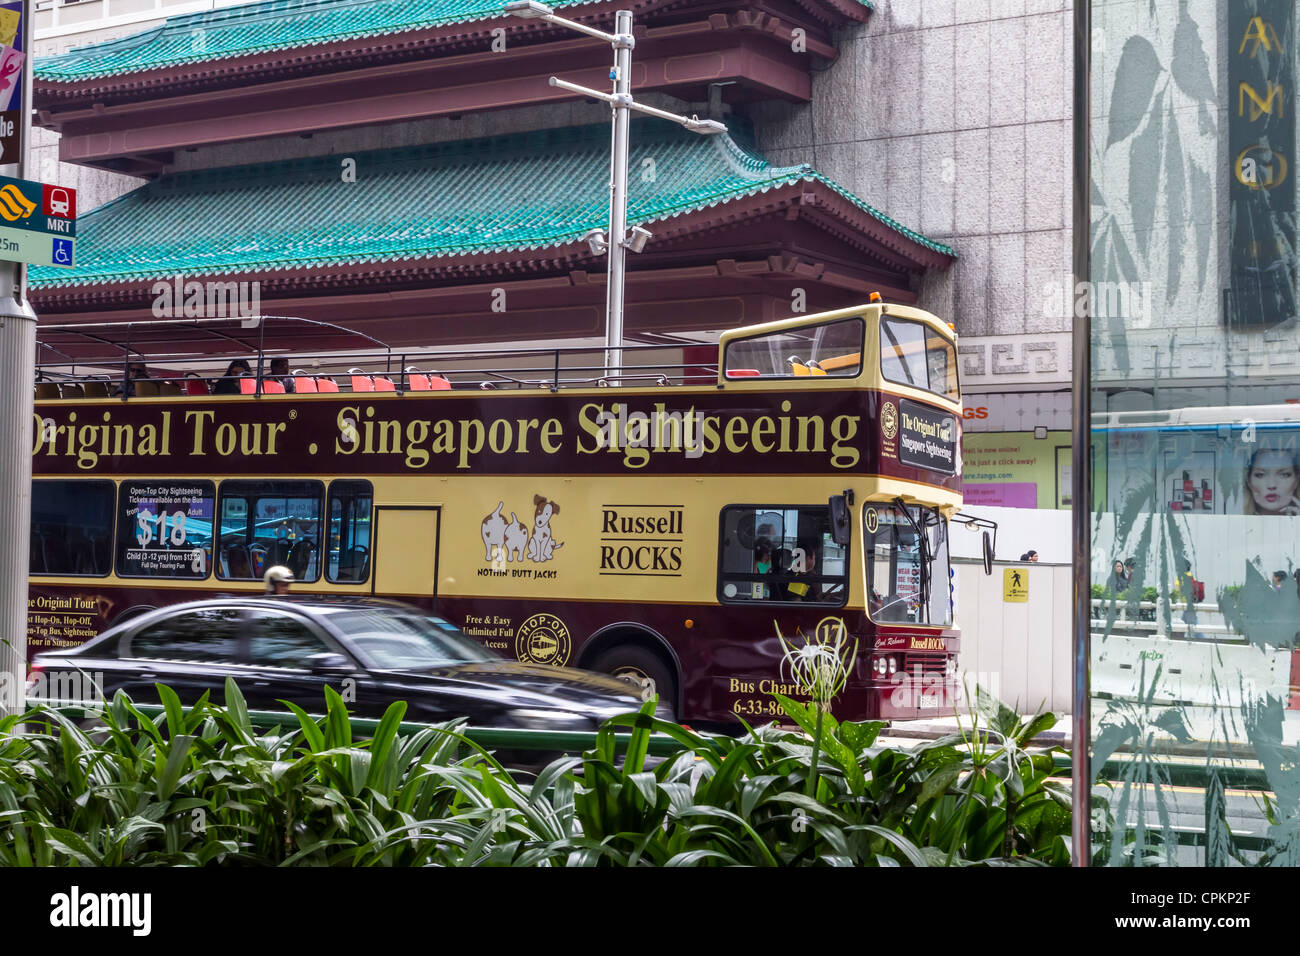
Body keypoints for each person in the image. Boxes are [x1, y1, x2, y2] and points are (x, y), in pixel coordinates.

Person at [1243, 447, 1300, 515]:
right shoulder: (1235, 520)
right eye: (1260, 475)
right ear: (1249, 482)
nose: (1271, 485)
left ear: (1296, 481)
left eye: (1284, 475)